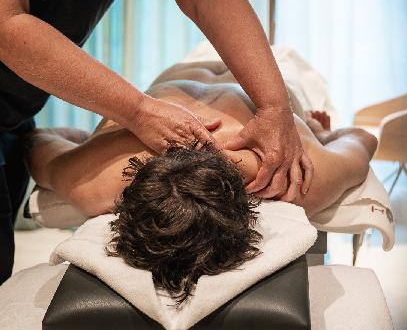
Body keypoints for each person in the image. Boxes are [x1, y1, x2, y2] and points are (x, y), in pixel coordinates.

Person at [0, 0, 312, 284]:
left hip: (17, 103)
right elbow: (5, 24)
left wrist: (277, 108)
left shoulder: (94, 185)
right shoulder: (280, 172)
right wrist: (283, 112)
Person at [25, 60, 378, 300]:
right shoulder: (287, 170)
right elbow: (364, 138)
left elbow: (360, 140)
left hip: (219, 72)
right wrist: (93, 143)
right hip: (254, 71)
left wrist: (91, 141)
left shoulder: (290, 175)